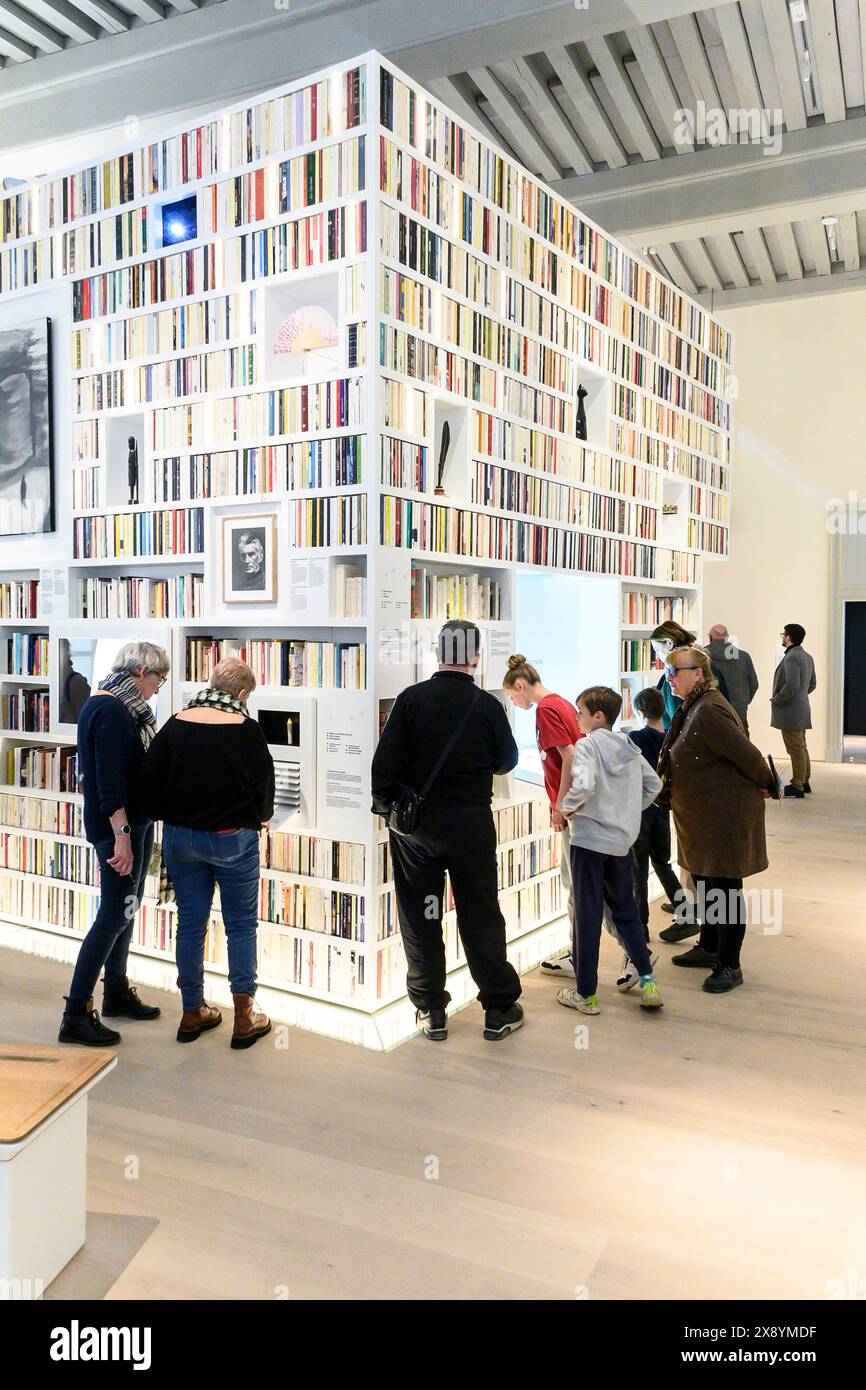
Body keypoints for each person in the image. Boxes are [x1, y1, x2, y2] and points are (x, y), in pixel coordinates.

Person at [371, 619, 523, 1042]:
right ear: (476, 657)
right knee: (480, 914)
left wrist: (390, 812)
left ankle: (431, 1011)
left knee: (420, 918)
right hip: (470, 823)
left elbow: (383, 768)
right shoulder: (487, 705)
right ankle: (498, 1007)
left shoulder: (410, 700)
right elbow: (506, 761)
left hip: (416, 829)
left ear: (437, 653)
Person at [141, 658, 275, 1049]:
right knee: (240, 926)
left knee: (190, 924)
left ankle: (191, 1011)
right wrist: (260, 818)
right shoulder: (247, 729)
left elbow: (151, 779)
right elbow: (264, 788)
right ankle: (244, 1018)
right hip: (233, 839)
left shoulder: (177, 722)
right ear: (242, 693)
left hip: (182, 839)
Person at [58, 640, 169, 1047]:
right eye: (159, 677)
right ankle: (75, 1013)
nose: (159, 686)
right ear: (141, 671)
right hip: (117, 830)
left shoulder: (119, 706)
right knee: (112, 914)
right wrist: (121, 835)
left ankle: (116, 991)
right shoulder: (109, 709)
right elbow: (106, 780)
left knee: (126, 909)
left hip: (133, 824)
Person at [657, 646, 772, 993]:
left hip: (722, 816)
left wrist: (768, 783)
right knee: (706, 882)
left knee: (724, 890)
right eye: (668, 672)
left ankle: (729, 964)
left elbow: (746, 754)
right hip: (703, 815)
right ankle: (709, 946)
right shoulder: (695, 705)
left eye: (675, 672)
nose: (670, 679)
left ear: (698, 674)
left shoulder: (709, 710)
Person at [557, 685, 664, 1015]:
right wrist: (628, 811)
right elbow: (654, 786)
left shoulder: (587, 746)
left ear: (597, 716)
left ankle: (586, 995)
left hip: (589, 840)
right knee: (626, 912)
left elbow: (585, 784)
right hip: (620, 842)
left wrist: (566, 807)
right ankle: (647, 982)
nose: (577, 718)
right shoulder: (629, 746)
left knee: (587, 916)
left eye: (581, 712)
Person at [502, 654, 582, 981]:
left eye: (511, 696)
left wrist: (559, 805)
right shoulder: (559, 702)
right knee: (575, 881)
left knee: (580, 884)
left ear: (520, 686)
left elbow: (569, 757)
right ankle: (579, 951)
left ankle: (630, 953)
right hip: (577, 806)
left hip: (574, 810)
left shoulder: (546, 710)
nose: (513, 702)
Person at [614, 684, 684, 990]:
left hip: (640, 813)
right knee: (663, 863)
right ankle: (685, 910)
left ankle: (641, 929)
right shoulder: (670, 736)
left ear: (639, 711)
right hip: (662, 810)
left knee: (637, 870)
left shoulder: (634, 740)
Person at [770, 623, 816, 798]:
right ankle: (804, 781)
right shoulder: (807, 656)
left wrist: (777, 698)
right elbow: (812, 684)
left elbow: (791, 685)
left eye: (783, 634)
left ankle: (797, 784)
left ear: (788, 637)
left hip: (791, 710)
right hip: (801, 707)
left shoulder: (792, 658)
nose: (782, 637)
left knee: (795, 748)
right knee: (801, 746)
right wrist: (801, 695)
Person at [704, 624, 759, 736]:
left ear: (709, 637)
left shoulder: (702, 657)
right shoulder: (743, 656)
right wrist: (743, 702)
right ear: (727, 637)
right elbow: (754, 684)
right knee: (742, 747)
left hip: (711, 711)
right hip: (739, 712)